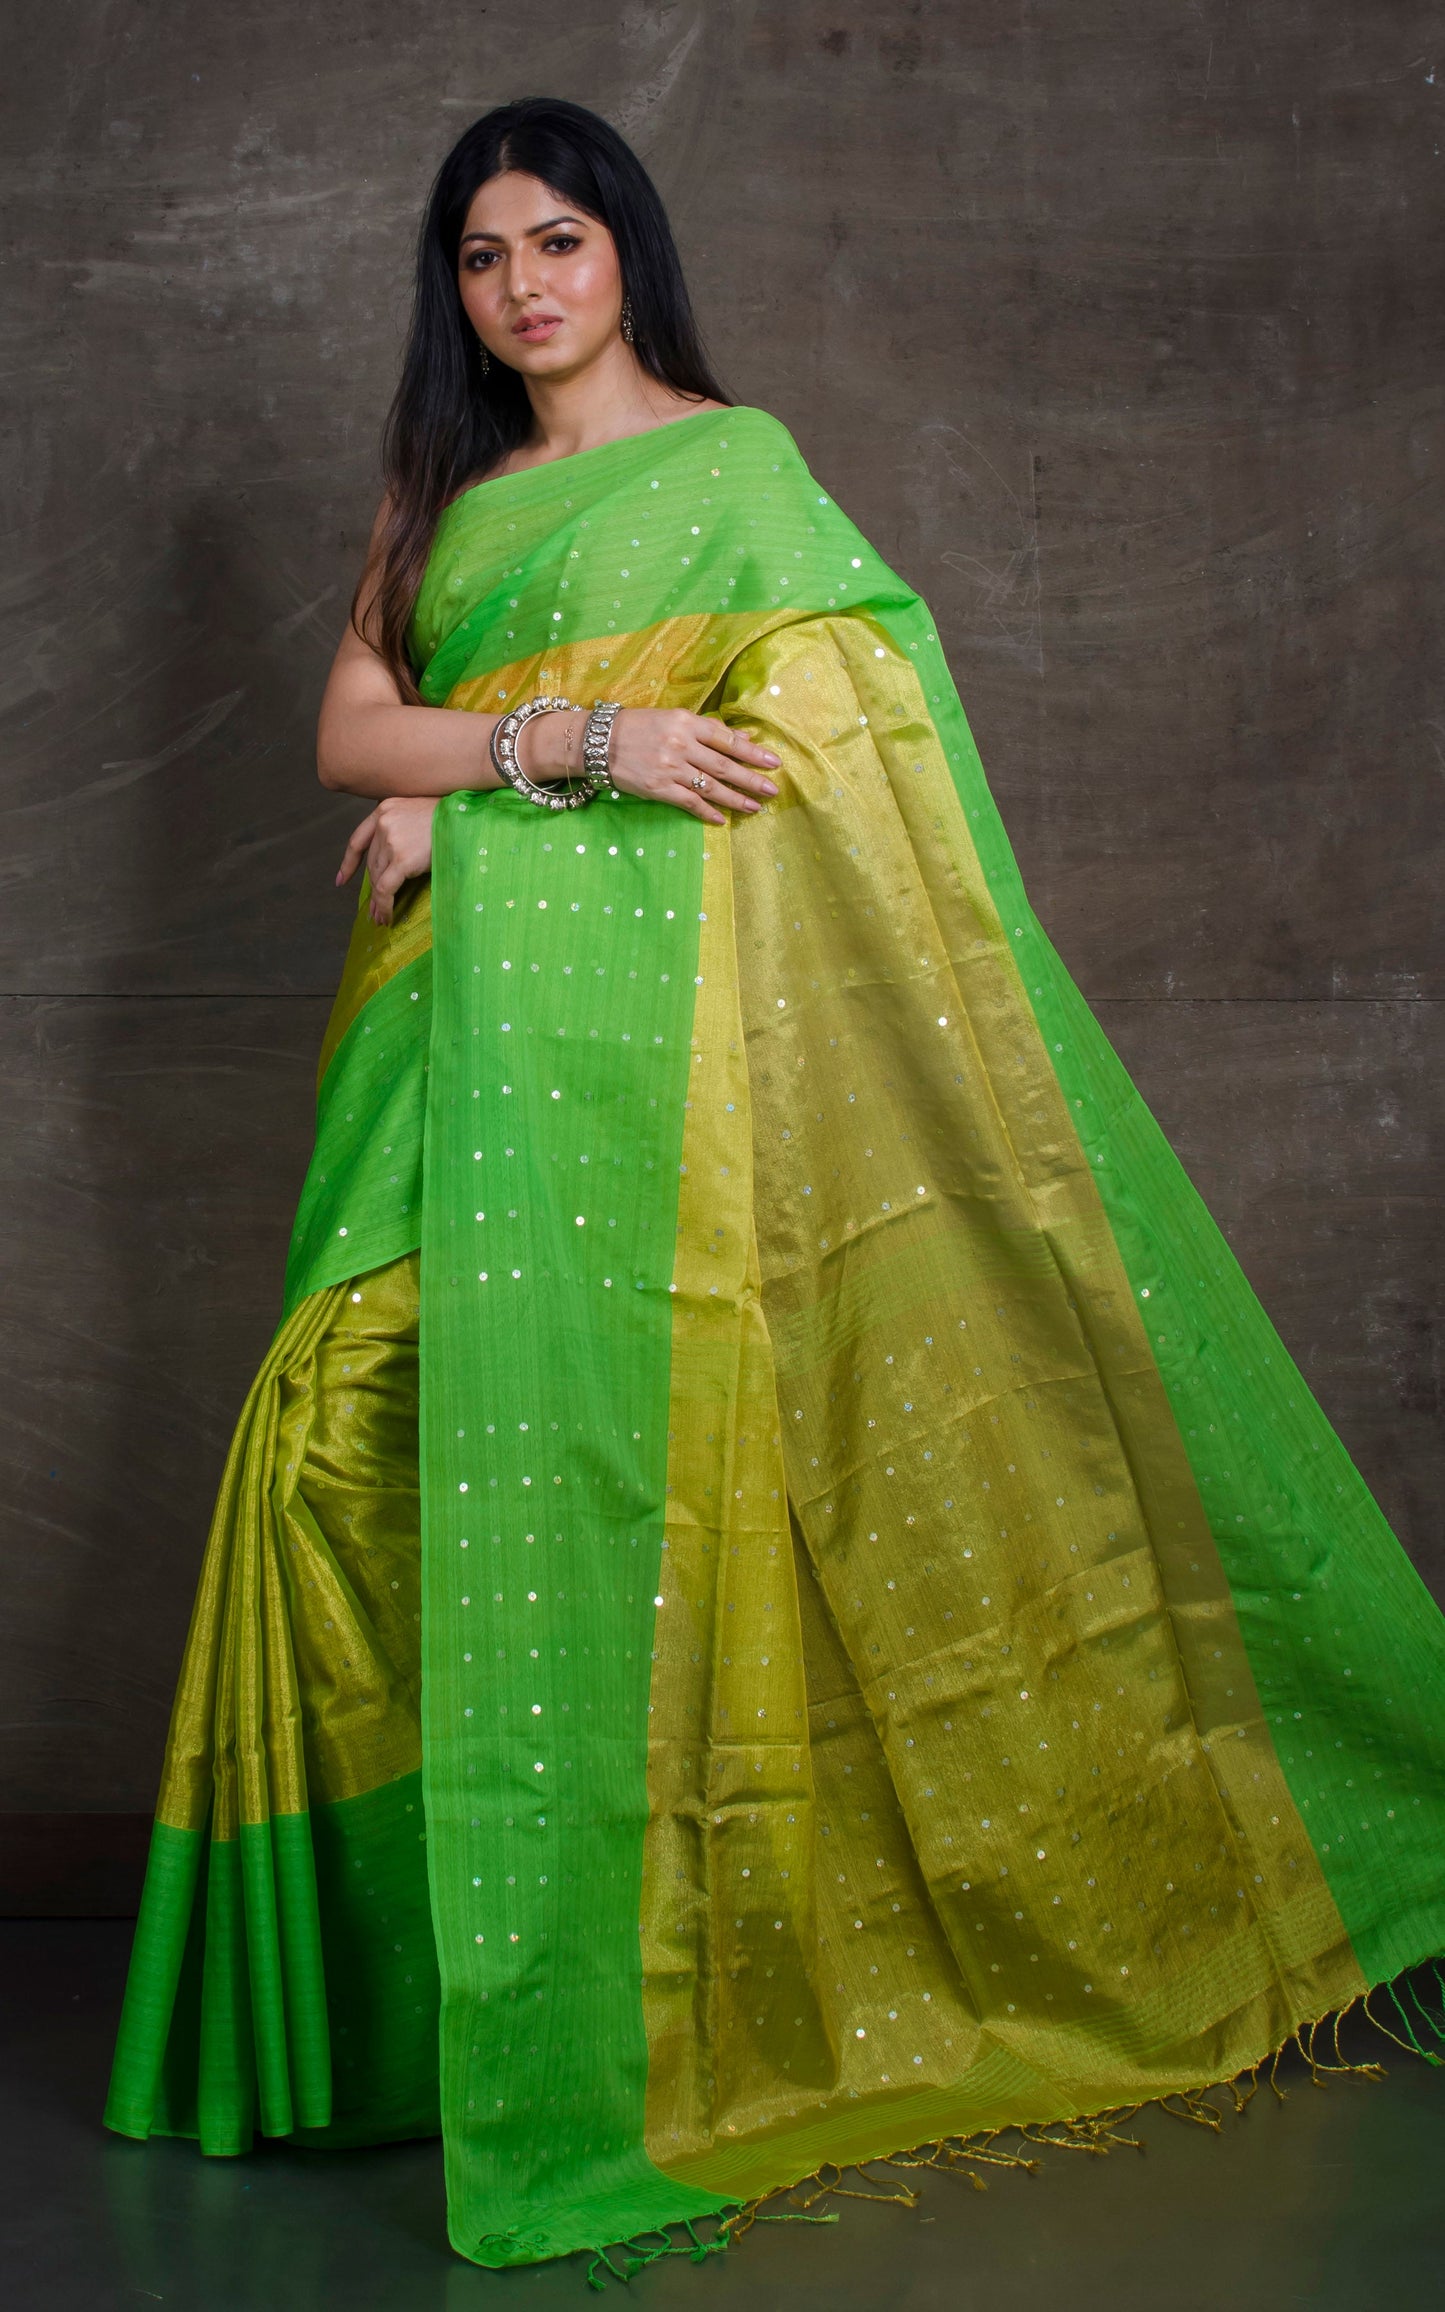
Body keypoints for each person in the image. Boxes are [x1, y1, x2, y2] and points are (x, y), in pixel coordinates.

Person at [104, 96, 1445, 2275]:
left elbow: (829, 748)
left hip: (630, 1051)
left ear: (625, 248)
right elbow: (354, 730)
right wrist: (551, 755)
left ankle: (612, 2006)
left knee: (620, 1458)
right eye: (481, 255)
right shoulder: (439, 494)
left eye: (557, 240)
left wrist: (492, 804)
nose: (523, 285)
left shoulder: (736, 472)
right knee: (344, 1433)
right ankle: (387, 2022)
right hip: (439, 1033)